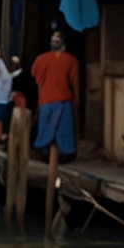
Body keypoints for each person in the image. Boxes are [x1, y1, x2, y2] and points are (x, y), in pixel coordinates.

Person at [32, 30, 80, 160]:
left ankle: (56, 154)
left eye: (58, 37)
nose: (56, 40)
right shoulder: (43, 59)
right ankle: (51, 153)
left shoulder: (69, 60)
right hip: (50, 99)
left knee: (56, 130)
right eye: (54, 37)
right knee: (56, 131)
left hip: (59, 100)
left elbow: (74, 82)